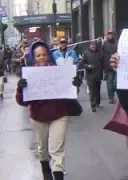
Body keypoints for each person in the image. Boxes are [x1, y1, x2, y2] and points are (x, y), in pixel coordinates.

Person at [15, 41, 81, 180]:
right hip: (38, 117)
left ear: (49, 55)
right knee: (43, 148)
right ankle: (45, 170)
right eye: (38, 55)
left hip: (59, 114)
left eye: (44, 54)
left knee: (57, 149)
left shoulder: (59, 72)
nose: (42, 57)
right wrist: (21, 88)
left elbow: (71, 92)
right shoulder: (29, 75)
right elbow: (22, 102)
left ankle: (58, 175)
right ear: (33, 57)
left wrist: (75, 83)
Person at [81, 41, 104, 112]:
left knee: (97, 90)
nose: (93, 47)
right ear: (90, 46)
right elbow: (82, 63)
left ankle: (97, 102)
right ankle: (93, 105)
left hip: (98, 74)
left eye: (95, 45)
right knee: (92, 91)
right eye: (92, 45)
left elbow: (103, 62)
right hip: (90, 75)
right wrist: (87, 66)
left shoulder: (100, 53)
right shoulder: (86, 53)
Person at [102, 30, 117, 104]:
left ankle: (113, 92)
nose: (110, 35)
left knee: (116, 82)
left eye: (112, 34)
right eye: (109, 34)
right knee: (110, 81)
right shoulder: (104, 43)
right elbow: (101, 53)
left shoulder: (116, 43)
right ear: (107, 35)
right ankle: (111, 97)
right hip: (108, 66)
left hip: (116, 65)